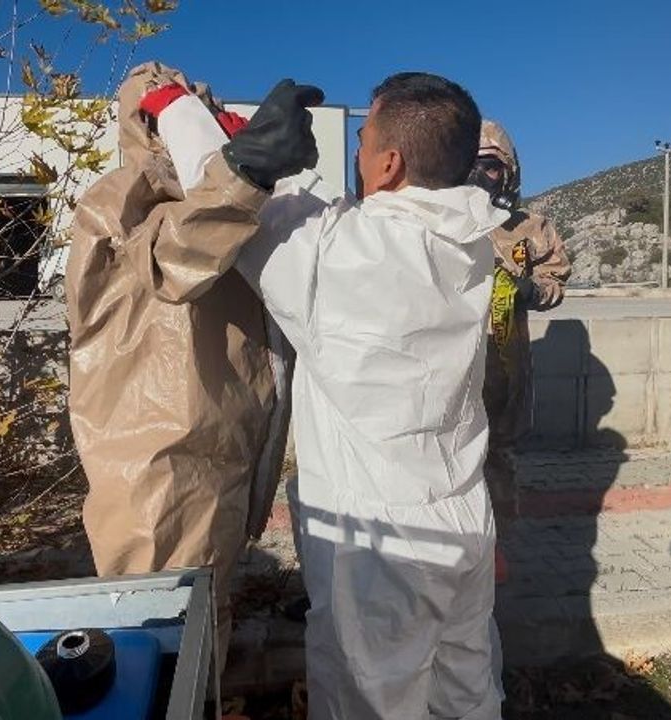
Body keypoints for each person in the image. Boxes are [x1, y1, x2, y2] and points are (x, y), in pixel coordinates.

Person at [159, 71, 506, 720]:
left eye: (364, 138)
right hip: (463, 516)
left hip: (382, 544)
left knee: (369, 700)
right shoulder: (469, 243)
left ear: (390, 162)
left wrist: (174, 106)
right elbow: (315, 211)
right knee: (466, 687)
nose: (356, 151)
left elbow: (227, 183)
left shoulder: (341, 254)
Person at [64, 62, 320, 656]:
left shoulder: (228, 201)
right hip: (159, 470)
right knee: (161, 643)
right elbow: (170, 258)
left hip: (216, 456)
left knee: (203, 623)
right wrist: (245, 171)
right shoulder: (120, 200)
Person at [467, 120, 571, 582]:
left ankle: (496, 549)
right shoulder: (439, 217)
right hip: (452, 368)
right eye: (468, 165)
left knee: (497, 460)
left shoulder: (530, 228)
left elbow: (556, 281)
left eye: (489, 167)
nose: (478, 176)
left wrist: (534, 291)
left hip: (505, 372)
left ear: (507, 172)